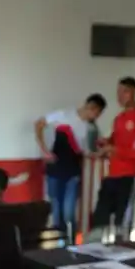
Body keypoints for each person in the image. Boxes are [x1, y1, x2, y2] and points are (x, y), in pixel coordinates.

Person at [85, 77, 135, 242]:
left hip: (132, 174)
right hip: (114, 172)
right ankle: (92, 249)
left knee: (122, 216)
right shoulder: (120, 118)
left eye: (124, 92)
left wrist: (114, 149)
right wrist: (105, 143)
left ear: (134, 92)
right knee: (101, 212)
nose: (120, 96)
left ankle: (121, 248)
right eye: (118, 92)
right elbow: (115, 140)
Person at [34, 94, 106, 235]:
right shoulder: (64, 115)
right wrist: (44, 149)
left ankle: (71, 243)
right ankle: (58, 244)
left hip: (73, 170)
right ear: (91, 107)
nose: (96, 117)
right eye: (97, 113)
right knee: (56, 210)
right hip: (55, 168)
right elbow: (39, 124)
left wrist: (97, 153)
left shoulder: (90, 128)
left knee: (69, 211)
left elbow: (86, 150)